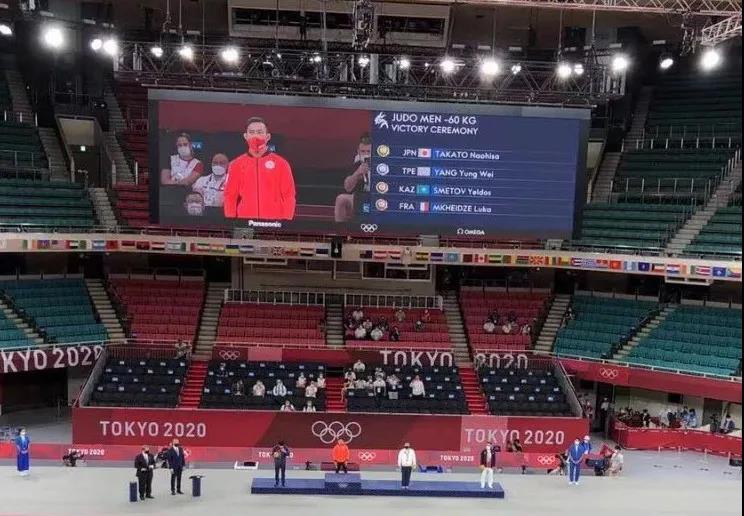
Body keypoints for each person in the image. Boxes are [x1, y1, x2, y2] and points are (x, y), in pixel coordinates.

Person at [224, 117, 295, 220]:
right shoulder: (236, 164)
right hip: (245, 222)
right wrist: (231, 222)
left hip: (274, 223)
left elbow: (289, 196)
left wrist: (286, 221)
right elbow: (230, 196)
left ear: (268, 136)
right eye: (252, 132)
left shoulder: (281, 164)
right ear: (245, 136)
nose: (255, 136)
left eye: (260, 132)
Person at [334, 133, 373, 222]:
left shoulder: (382, 166)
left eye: (368, 152)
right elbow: (348, 188)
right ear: (358, 152)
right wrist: (357, 173)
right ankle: (341, 229)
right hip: (360, 197)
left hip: (378, 198)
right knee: (341, 199)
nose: (366, 154)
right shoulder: (357, 164)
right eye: (363, 151)